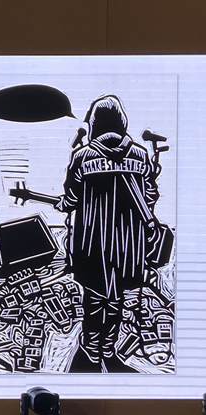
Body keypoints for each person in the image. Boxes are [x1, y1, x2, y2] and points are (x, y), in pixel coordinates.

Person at [55, 95, 160, 373]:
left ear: (95, 123)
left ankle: (91, 351)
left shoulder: (82, 156)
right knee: (117, 298)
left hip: (93, 241)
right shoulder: (140, 154)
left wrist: (63, 204)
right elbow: (150, 195)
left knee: (93, 297)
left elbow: (71, 199)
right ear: (121, 122)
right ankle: (108, 349)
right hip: (129, 242)